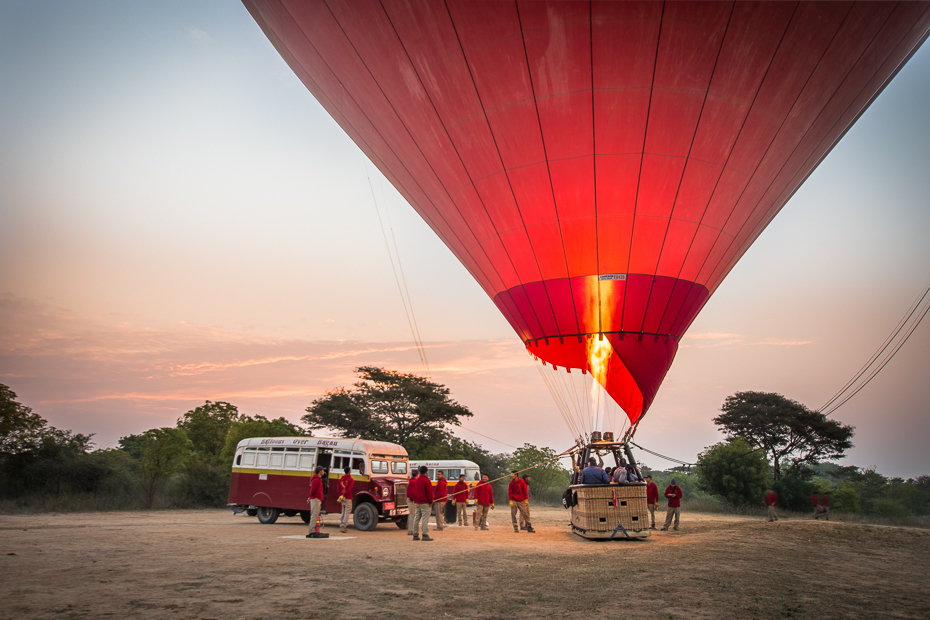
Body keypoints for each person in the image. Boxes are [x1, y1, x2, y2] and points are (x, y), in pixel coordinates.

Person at [408, 465, 434, 541]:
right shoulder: (427, 481)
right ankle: (425, 534)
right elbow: (429, 493)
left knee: (416, 518)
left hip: (417, 502)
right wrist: (430, 501)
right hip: (425, 502)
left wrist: (415, 499)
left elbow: (414, 492)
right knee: (425, 519)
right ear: (426, 472)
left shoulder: (417, 480)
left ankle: (415, 534)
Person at [305, 466, 325, 537]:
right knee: (314, 515)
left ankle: (312, 530)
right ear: (320, 472)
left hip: (316, 499)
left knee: (315, 515)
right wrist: (310, 497)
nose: (323, 472)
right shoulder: (316, 480)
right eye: (323, 470)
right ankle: (312, 531)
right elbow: (312, 490)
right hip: (316, 499)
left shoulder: (317, 479)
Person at [337, 465, 354, 533]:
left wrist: (341, 495)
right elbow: (349, 489)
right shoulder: (351, 480)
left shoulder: (341, 479)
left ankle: (341, 524)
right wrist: (345, 495)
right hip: (348, 497)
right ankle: (344, 525)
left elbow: (338, 489)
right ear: (349, 471)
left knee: (343, 511)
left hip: (342, 497)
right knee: (347, 511)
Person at [407, 470, 418, 535]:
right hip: (412, 500)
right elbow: (413, 492)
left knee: (412, 514)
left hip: (410, 499)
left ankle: (411, 529)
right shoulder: (414, 482)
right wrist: (414, 499)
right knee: (412, 515)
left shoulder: (411, 481)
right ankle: (411, 530)